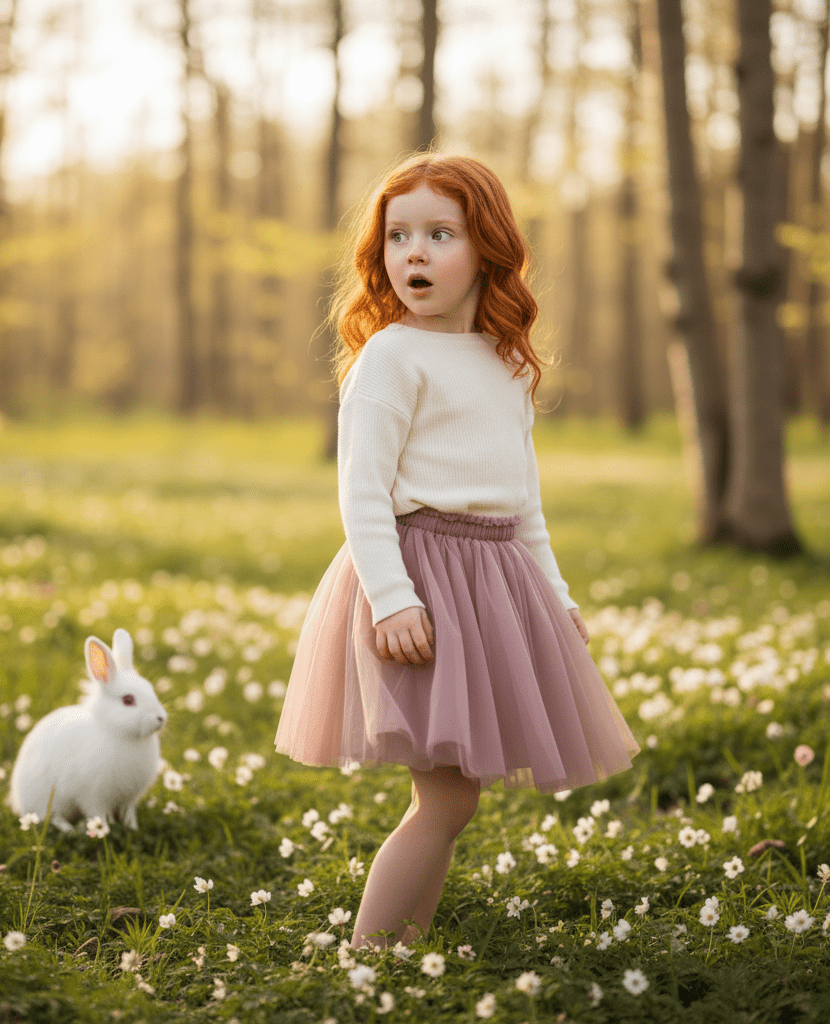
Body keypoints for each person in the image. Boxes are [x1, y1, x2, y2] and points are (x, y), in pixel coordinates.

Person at [274, 153, 639, 949]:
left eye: (439, 234)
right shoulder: (391, 357)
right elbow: (361, 492)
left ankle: (398, 948)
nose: (414, 253)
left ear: (488, 249)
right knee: (444, 801)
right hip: (423, 582)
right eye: (398, 237)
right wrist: (392, 595)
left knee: (454, 800)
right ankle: (371, 961)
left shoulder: (504, 360)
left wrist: (557, 591)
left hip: (493, 582)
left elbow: (522, 498)